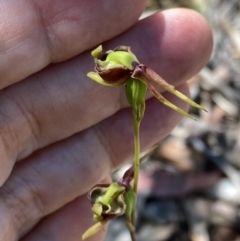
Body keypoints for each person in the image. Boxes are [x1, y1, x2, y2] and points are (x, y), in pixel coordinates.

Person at [0, 1, 212, 240]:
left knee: (160, 105)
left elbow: (159, 90)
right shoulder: (131, 73)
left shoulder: (135, 72)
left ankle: (189, 108)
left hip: (136, 77)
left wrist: (184, 105)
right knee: (150, 116)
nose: (100, 65)